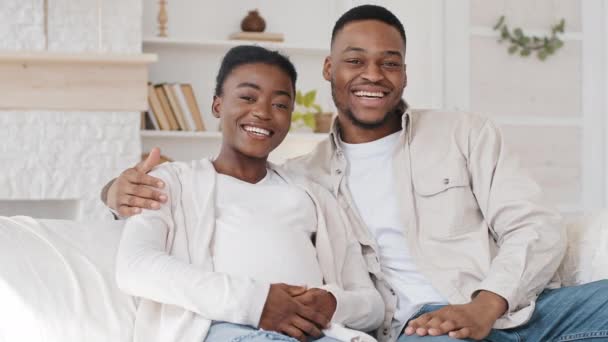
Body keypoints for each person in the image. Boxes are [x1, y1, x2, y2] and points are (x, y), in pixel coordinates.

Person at [104, 5, 608, 342]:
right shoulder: (306, 179)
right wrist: (113, 191)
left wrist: (486, 305)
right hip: (421, 330)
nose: (372, 75)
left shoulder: (463, 133)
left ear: (405, 73)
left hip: (508, 311)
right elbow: (235, 197)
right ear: (329, 70)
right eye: (355, 61)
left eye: (389, 63)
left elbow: (537, 226)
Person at [114, 45, 384, 342]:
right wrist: (257, 303)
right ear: (218, 105)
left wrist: (333, 305)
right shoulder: (171, 182)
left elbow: (371, 305)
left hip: (317, 334)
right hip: (225, 330)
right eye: (247, 97)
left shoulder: (314, 196)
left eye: (281, 105)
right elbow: (134, 266)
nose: (263, 112)